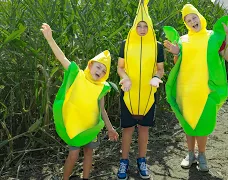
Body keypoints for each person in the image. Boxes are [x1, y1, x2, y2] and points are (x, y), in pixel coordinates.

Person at [163, 4, 228, 172]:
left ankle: (201, 154)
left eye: (194, 17)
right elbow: (178, 64)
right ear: (186, 24)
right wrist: (176, 52)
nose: (192, 21)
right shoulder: (182, 40)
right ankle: (190, 154)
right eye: (188, 20)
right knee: (188, 123)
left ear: (200, 17)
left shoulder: (213, 37)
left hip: (206, 90)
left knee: (203, 124)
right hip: (186, 90)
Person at [41, 23, 119, 180]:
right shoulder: (77, 75)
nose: (100, 72)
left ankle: (86, 177)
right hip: (75, 125)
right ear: (90, 65)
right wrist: (50, 39)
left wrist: (110, 128)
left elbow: (102, 109)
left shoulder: (102, 87)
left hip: (91, 127)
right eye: (98, 67)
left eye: (104, 71)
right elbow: (62, 57)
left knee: (89, 152)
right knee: (74, 154)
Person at [116, 0, 164, 179]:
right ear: (134, 27)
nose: (143, 29)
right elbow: (120, 67)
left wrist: (156, 78)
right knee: (127, 129)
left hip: (148, 93)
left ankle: (142, 160)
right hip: (128, 92)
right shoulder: (125, 44)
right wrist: (125, 78)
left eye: (146, 26)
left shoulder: (157, 46)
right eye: (139, 26)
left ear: (150, 26)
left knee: (144, 129)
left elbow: (160, 69)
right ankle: (124, 161)